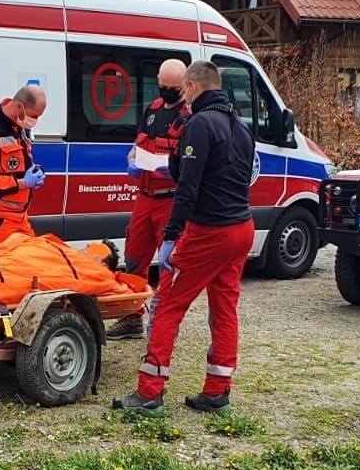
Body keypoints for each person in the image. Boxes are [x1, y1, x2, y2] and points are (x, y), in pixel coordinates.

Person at [113, 61, 253, 416]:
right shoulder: (241, 127)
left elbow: (187, 188)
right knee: (224, 309)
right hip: (242, 227)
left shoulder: (199, 124)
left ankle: (149, 392)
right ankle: (218, 390)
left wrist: (172, 236)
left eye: (183, 90)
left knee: (167, 303)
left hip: (210, 230)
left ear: (191, 87)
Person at [107, 59, 190, 339]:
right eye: (163, 86)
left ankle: (165, 326)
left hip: (170, 199)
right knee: (134, 258)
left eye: (172, 88)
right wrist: (131, 160)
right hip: (144, 196)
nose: (166, 92)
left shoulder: (191, 117)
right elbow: (137, 144)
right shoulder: (152, 110)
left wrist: (176, 170)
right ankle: (133, 318)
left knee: (169, 266)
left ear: (184, 85)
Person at [0, 84, 47, 248]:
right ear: (19, 106)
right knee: (0, 271)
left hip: (19, 218)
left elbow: (15, 165)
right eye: (34, 116)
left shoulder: (18, 126)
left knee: (30, 267)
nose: (36, 121)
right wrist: (23, 183)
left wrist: (35, 171)